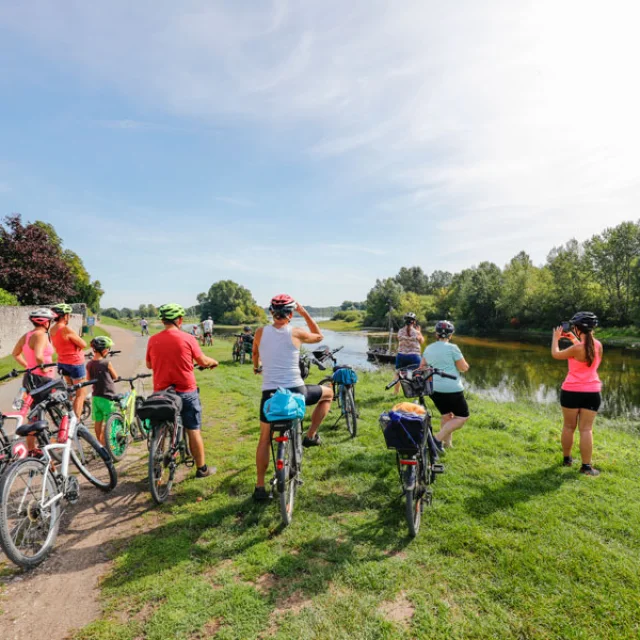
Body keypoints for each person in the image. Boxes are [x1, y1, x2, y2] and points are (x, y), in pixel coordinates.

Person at [251, 294, 333, 502]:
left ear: (271, 312)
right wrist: (304, 312)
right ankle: (311, 435)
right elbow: (319, 336)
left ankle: (259, 487)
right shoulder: (296, 332)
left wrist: (256, 367)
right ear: (290, 313)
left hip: (270, 394)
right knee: (328, 393)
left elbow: (254, 353)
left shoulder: (260, 332)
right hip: (296, 391)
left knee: (264, 438)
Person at [146, 303, 218, 478]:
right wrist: (213, 362)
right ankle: (202, 469)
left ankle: (156, 465)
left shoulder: (153, 339)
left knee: (160, 427)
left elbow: (149, 364)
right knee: (193, 429)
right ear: (179, 320)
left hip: (162, 392)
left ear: (162, 320)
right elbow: (201, 361)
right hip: (186, 391)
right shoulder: (188, 338)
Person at [551, 311, 602, 476]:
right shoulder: (598, 346)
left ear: (578, 328)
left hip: (571, 392)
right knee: (586, 430)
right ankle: (586, 467)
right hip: (592, 392)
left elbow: (556, 354)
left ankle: (567, 459)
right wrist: (573, 337)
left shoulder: (575, 348)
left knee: (568, 426)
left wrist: (556, 338)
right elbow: (585, 349)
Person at [11, 308, 57, 453]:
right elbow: (38, 355)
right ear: (46, 322)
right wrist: (42, 368)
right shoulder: (41, 335)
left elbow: (15, 353)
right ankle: (42, 444)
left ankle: (32, 447)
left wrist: (28, 366)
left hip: (30, 377)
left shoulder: (27, 335)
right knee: (43, 410)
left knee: (35, 412)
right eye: (50, 321)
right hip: (42, 379)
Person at [421, 320, 470, 451]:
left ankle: (446, 444)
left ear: (436, 335)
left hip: (434, 389)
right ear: (451, 335)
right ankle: (436, 439)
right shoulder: (453, 348)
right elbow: (463, 368)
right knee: (462, 417)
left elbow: (422, 367)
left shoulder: (428, 348)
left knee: (447, 416)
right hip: (452, 389)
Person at [50, 303, 88, 420]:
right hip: (75, 363)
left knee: (71, 390)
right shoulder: (65, 328)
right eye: (69, 315)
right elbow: (83, 344)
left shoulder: (52, 329)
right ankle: (75, 423)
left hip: (62, 362)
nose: (69, 317)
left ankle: (68, 414)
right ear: (64, 316)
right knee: (80, 394)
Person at [86, 336, 118, 445]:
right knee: (109, 420)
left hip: (96, 396)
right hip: (107, 396)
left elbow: (89, 379)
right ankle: (106, 442)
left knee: (98, 420)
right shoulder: (106, 363)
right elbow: (115, 376)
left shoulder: (89, 364)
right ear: (104, 350)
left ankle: (99, 442)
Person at [394, 312, 425, 394]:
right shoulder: (416, 332)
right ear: (414, 322)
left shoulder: (400, 331)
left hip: (401, 356)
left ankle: (396, 392)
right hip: (414, 356)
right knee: (414, 374)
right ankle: (412, 391)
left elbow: (399, 339)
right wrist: (419, 332)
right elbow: (422, 341)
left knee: (398, 374)